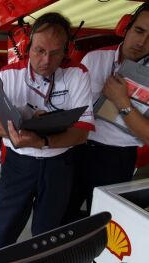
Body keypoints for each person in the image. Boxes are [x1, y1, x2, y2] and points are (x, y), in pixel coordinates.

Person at [0, 12, 95, 252]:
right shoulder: (7, 74)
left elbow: (81, 134)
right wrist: (16, 128)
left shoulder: (78, 74)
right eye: (40, 50)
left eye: (56, 52)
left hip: (59, 165)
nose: (46, 60)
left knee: (47, 236)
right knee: (2, 232)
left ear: (67, 50)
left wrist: (42, 141)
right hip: (18, 165)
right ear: (28, 46)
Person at [64, 2, 149, 222]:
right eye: (139, 31)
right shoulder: (93, 59)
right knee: (62, 216)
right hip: (78, 149)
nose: (142, 42)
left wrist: (121, 101)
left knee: (104, 223)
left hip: (118, 158)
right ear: (127, 27)